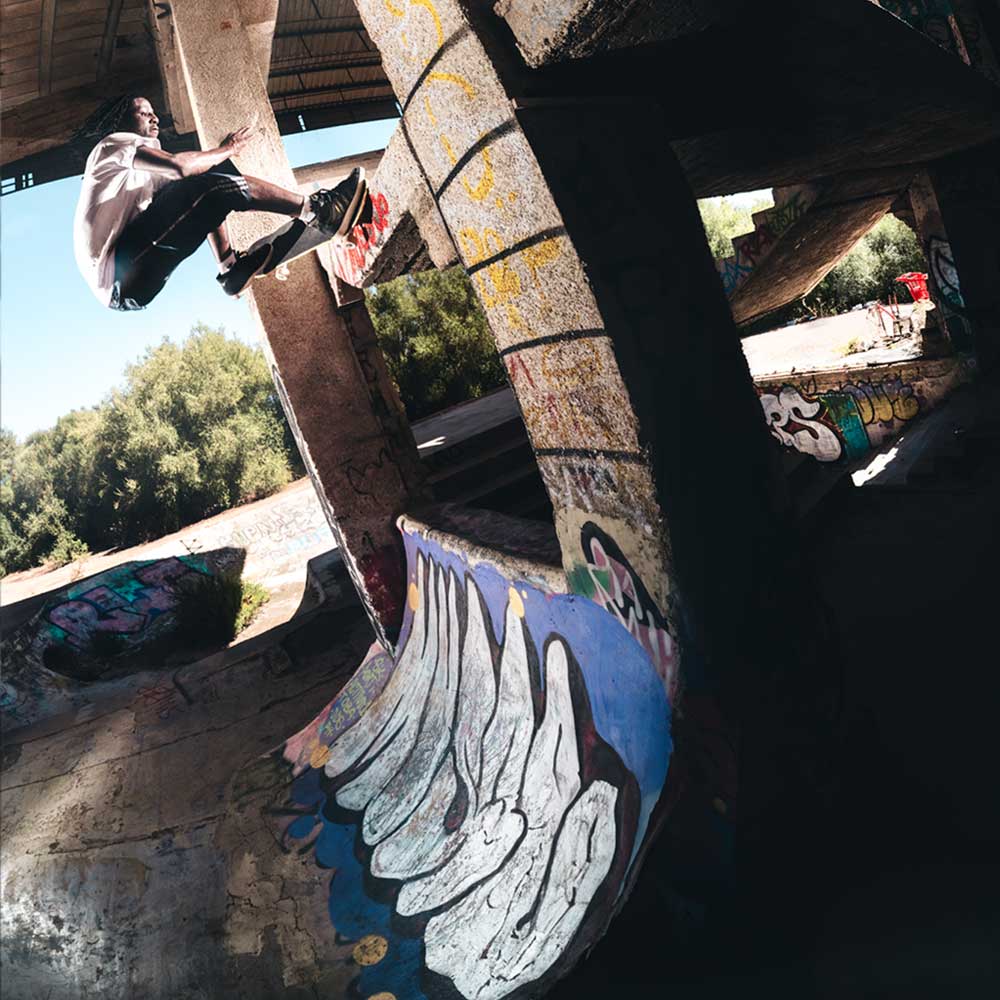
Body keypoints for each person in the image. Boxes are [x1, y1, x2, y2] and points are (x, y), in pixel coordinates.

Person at [73, 95, 368, 311]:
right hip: (118, 277)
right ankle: (319, 211)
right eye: (144, 113)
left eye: (154, 113)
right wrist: (228, 148)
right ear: (122, 121)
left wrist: (220, 158)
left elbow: (193, 183)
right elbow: (179, 167)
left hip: (130, 265)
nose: (155, 118)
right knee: (207, 184)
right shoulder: (109, 146)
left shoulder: (141, 171)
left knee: (208, 175)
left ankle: (230, 269)